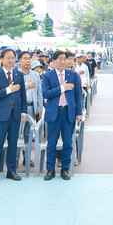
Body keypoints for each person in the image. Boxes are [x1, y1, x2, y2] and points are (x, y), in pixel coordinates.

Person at [41, 50, 83, 181]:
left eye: (65, 59)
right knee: (51, 142)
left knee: (68, 142)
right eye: (60, 59)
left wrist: (79, 113)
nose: (63, 61)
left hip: (68, 112)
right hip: (54, 112)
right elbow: (45, 93)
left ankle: (65, 168)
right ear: (53, 61)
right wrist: (62, 88)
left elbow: (78, 95)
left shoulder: (73, 75)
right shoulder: (47, 76)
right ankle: (50, 169)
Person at [0, 48, 27, 183]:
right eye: (8, 57)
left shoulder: (18, 74)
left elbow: (23, 95)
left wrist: (23, 111)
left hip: (15, 114)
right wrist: (7, 90)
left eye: (12, 57)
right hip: (1, 114)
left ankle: (11, 171)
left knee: (13, 144)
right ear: (2, 60)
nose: (11, 60)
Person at [18, 50, 43, 168]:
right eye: (25, 58)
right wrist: (26, 85)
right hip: (19, 109)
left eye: (29, 58)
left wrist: (39, 108)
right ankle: (15, 158)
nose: (27, 61)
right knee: (17, 133)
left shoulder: (35, 75)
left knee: (28, 134)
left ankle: (27, 157)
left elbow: (39, 93)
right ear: (19, 61)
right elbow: (14, 89)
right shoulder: (16, 74)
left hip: (31, 107)